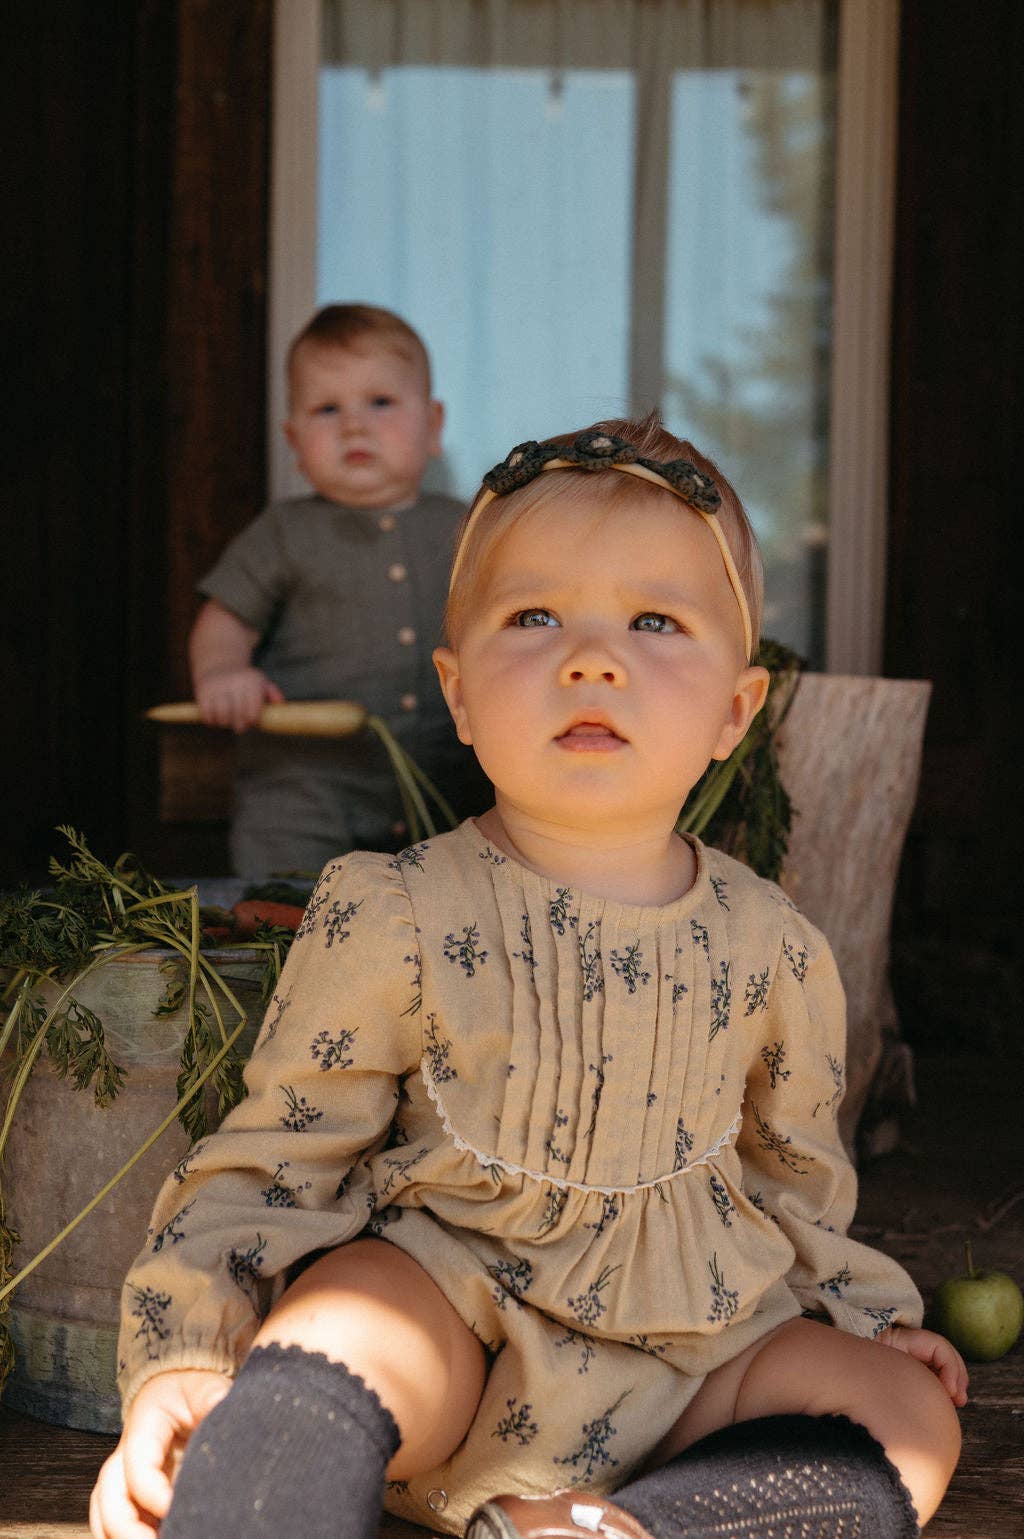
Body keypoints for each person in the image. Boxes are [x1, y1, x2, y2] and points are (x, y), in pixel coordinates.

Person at [92, 416, 965, 1539]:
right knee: (341, 1321)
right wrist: (185, 1358)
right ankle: (259, 1496)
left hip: (696, 1354)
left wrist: (865, 1316)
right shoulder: (396, 909)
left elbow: (795, 1181)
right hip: (452, 1332)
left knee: (908, 1419)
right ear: (457, 695)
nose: (590, 658)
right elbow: (276, 1158)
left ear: (733, 714)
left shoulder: (773, 945)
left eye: (654, 620)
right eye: (534, 616)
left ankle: (627, 1531)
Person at [189, 302, 488, 877]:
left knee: (447, 925)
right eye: (327, 409)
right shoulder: (284, 531)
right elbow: (225, 620)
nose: (354, 424)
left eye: (380, 402)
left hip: (448, 789)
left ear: (433, 426)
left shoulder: (471, 528)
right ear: (295, 441)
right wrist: (222, 672)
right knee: (291, 921)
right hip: (304, 797)